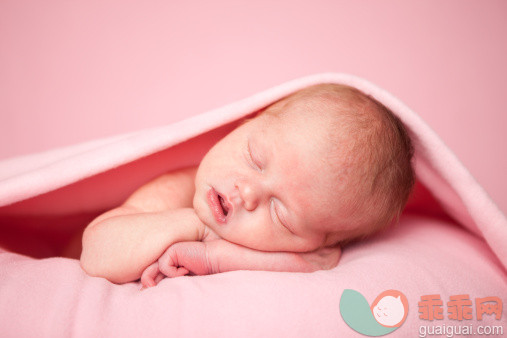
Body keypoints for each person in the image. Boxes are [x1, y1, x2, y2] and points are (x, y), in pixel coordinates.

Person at [80, 83, 415, 288]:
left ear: (315, 244)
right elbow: (96, 254)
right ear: (245, 122)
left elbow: (316, 264)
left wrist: (213, 256)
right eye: (255, 158)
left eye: (281, 213)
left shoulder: (304, 254)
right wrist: (198, 227)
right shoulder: (177, 189)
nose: (249, 192)